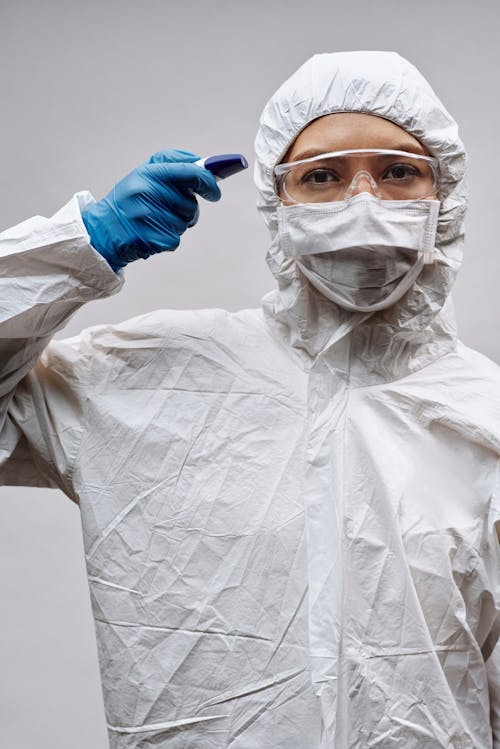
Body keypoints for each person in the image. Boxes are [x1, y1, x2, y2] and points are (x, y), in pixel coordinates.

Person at [0, 50, 498, 749]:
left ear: (443, 198)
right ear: (277, 200)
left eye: (398, 172)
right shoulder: (142, 378)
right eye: (322, 176)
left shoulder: (485, 416)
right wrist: (84, 246)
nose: (363, 202)